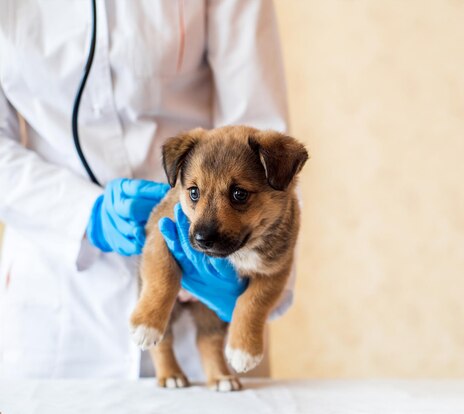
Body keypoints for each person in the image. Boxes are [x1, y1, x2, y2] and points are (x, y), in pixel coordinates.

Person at [0, 0, 293, 380]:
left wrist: (252, 286)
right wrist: (83, 213)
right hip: (57, 301)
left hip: (209, 282)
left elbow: (265, 142)